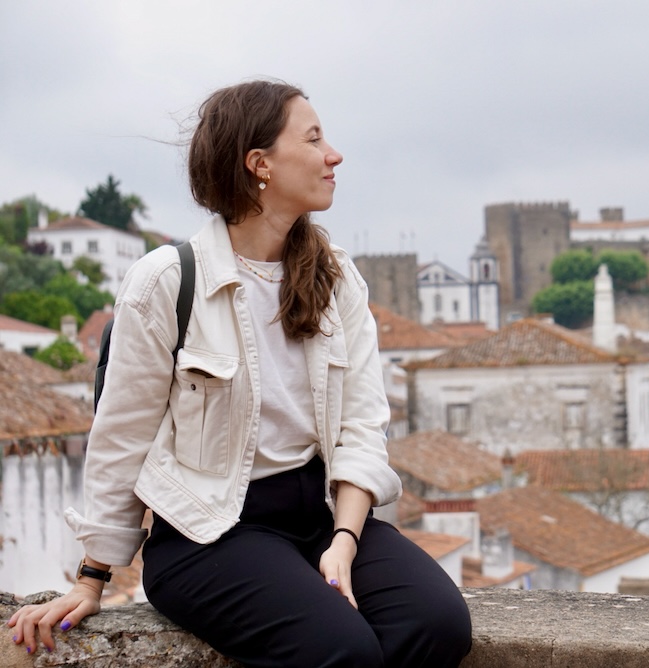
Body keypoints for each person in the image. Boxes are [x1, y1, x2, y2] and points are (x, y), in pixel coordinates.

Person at [7, 79, 472, 667]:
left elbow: (362, 427)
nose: (335, 155)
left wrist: (345, 540)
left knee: (438, 624)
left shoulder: (338, 282)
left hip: (321, 517)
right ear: (260, 165)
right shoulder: (167, 282)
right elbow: (121, 436)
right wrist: (92, 577)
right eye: (314, 138)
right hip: (211, 534)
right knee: (343, 651)